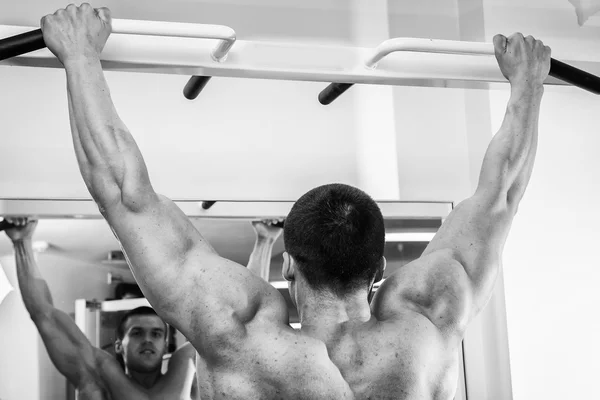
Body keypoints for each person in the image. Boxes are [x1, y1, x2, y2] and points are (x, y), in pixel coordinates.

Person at [41, 4, 550, 399]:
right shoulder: (428, 321)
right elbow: (501, 195)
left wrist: (80, 56)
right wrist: (528, 83)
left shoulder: (238, 336)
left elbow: (122, 193)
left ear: (288, 265)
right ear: (377, 269)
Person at [5, 218, 197, 400]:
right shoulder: (97, 378)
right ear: (118, 345)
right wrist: (22, 242)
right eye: (137, 333)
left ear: (166, 345)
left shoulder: (189, 378)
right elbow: (44, 315)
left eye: (156, 334)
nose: (147, 340)